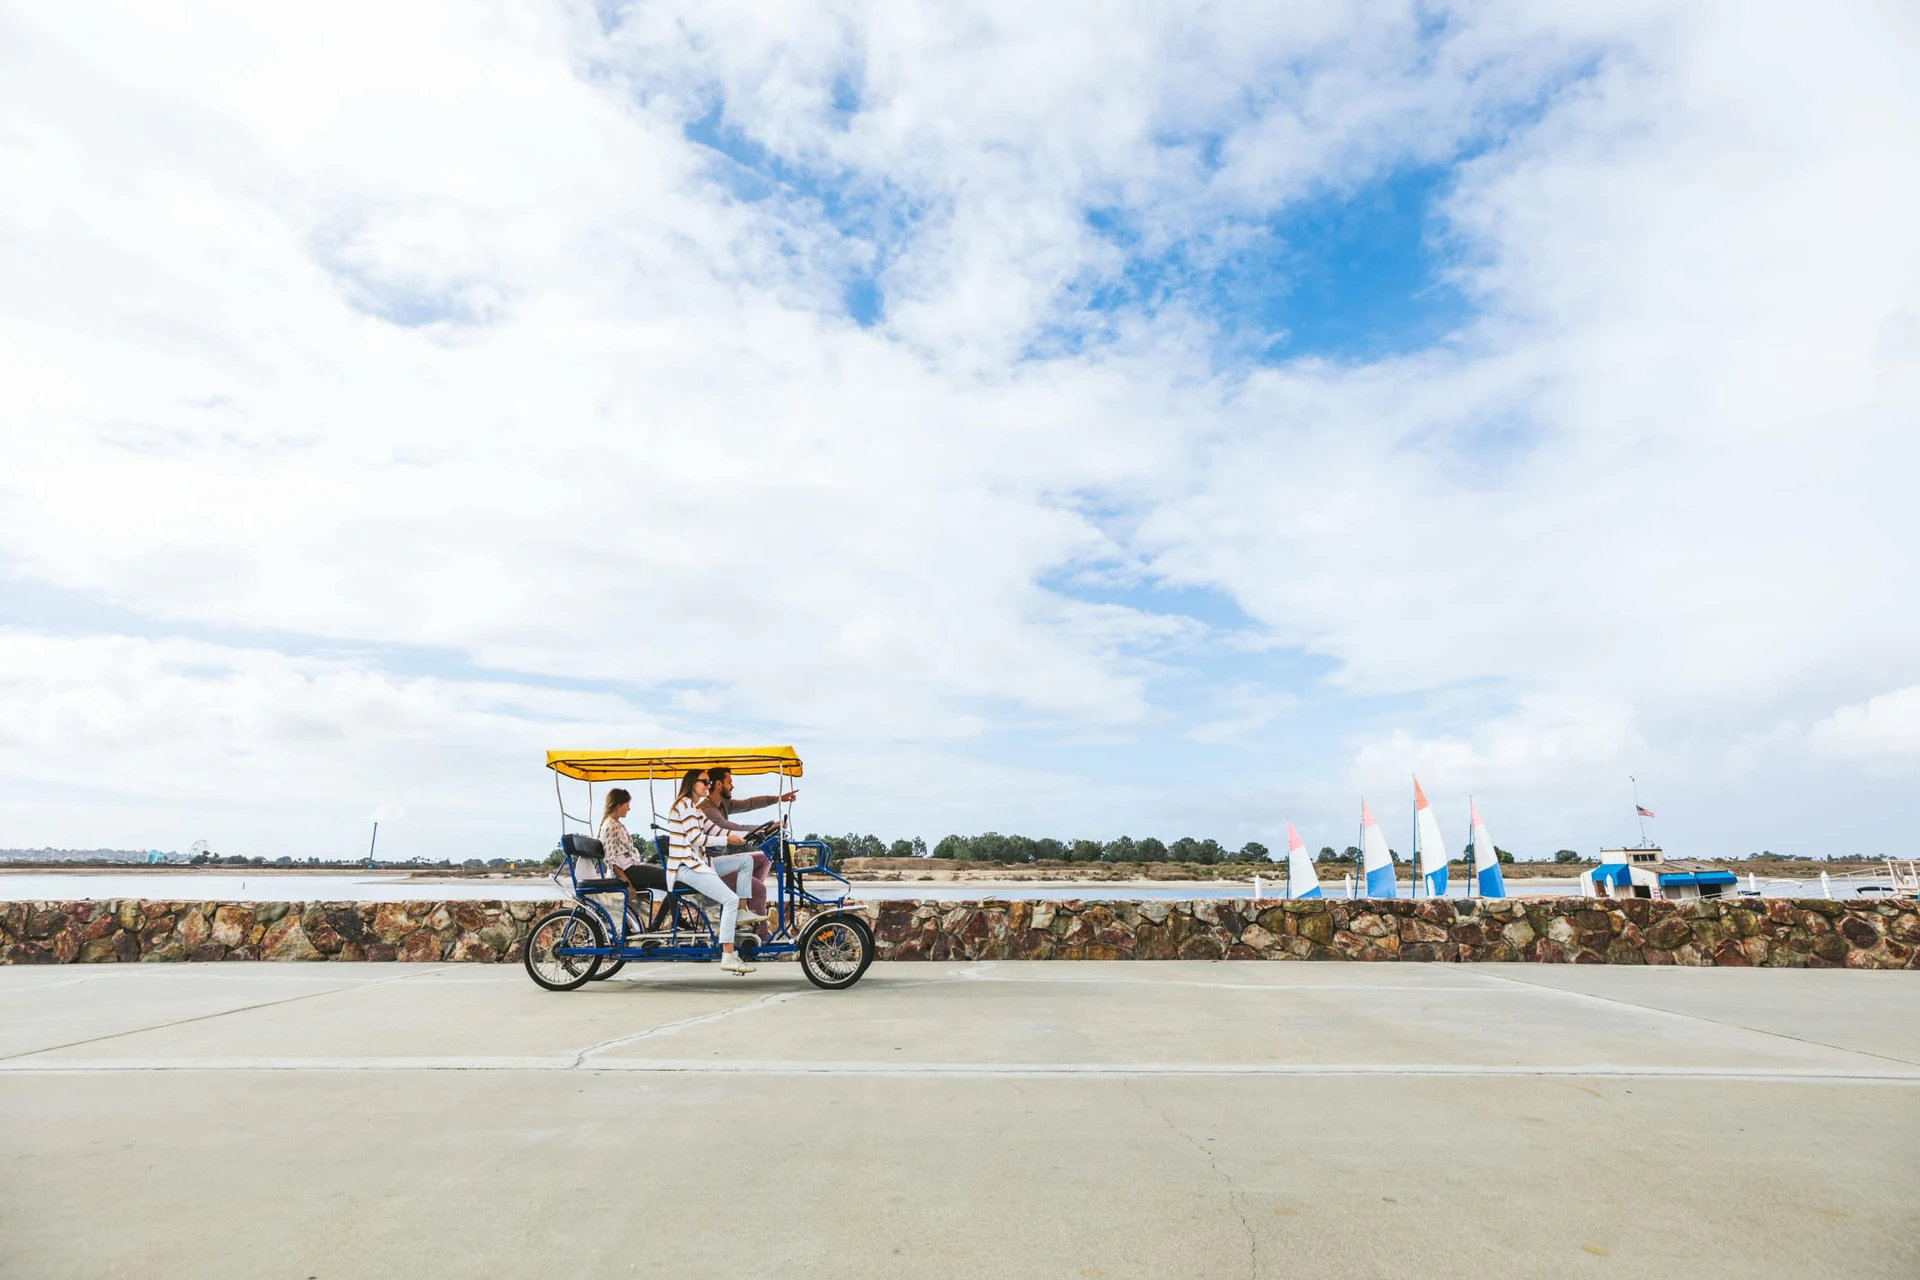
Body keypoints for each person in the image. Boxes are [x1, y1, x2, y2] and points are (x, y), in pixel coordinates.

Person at [665, 769, 769, 974]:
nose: (708, 785)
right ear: (692, 783)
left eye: (709, 781)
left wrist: (752, 834)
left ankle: (741, 911)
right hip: (685, 866)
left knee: (746, 861)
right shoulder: (683, 805)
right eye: (705, 781)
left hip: (701, 862)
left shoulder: (696, 809)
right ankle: (728, 955)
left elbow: (716, 830)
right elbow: (697, 839)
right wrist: (728, 840)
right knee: (728, 899)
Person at [700, 767, 797, 937]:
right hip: (709, 867)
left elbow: (749, 803)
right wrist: (766, 828)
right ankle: (761, 935)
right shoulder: (707, 810)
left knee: (763, 858)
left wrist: (779, 799)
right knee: (758, 889)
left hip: (720, 862)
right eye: (730, 782)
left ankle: (747, 900)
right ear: (718, 784)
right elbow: (733, 829)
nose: (732, 786)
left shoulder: (722, 805)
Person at [596, 789, 672, 931]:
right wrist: (627, 883)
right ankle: (658, 926)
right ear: (618, 805)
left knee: (671, 885)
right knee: (671, 879)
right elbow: (611, 861)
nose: (629, 808)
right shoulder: (610, 827)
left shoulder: (617, 825)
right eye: (627, 805)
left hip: (631, 868)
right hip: (627, 871)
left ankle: (661, 924)